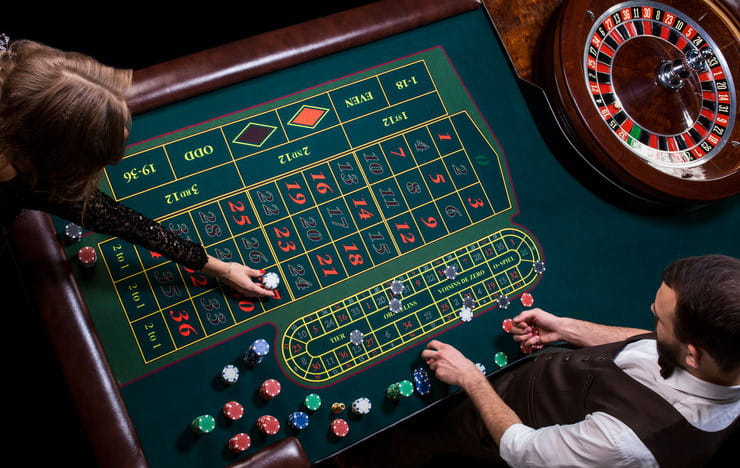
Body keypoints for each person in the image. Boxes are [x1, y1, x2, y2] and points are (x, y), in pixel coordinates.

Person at [336, 255, 739, 467]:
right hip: (552, 381)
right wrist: (566, 329)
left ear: (692, 353)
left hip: (510, 423)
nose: (649, 308)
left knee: (416, 433)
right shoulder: (721, 354)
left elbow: (522, 450)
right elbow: (648, 345)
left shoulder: (627, 446)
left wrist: (471, 380)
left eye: (659, 316)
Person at [0, 37, 273, 297]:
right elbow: (112, 217)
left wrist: (223, 269)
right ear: (56, 156)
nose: (123, 134)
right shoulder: (17, 177)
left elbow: (124, 222)